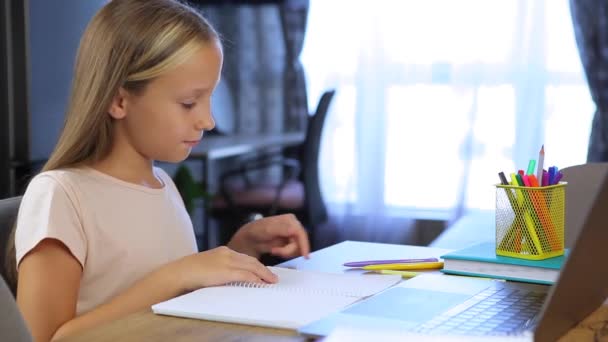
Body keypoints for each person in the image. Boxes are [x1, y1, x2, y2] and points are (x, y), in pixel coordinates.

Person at [8, 1, 310, 341]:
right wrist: (175, 276)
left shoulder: (162, 184)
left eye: (209, 98)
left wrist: (242, 248)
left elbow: (178, 298)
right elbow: (44, 338)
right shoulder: (61, 196)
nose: (208, 121)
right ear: (119, 101)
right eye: (188, 103)